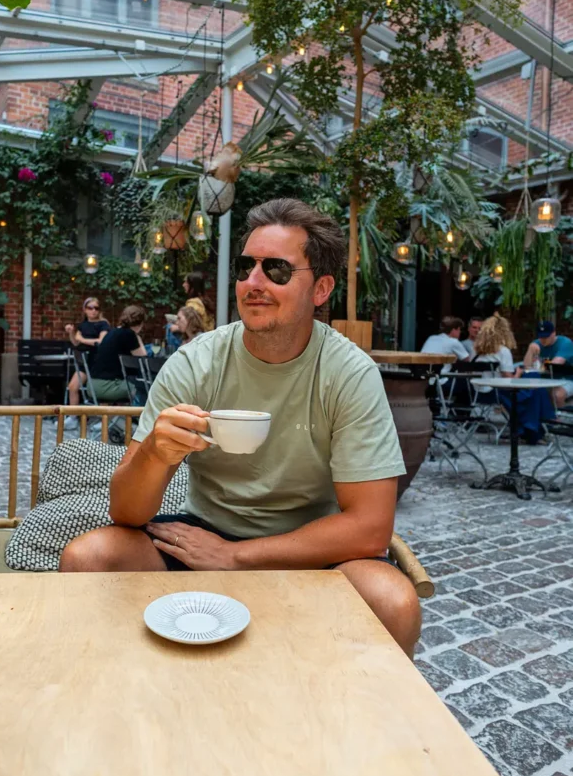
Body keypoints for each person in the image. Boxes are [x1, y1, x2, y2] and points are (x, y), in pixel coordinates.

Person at [61, 198, 421, 659]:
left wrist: (234, 557)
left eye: (277, 270)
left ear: (321, 289)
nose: (253, 282)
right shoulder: (196, 363)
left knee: (392, 602)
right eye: (245, 267)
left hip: (310, 549)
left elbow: (370, 528)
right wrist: (153, 454)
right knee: (87, 559)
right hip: (204, 533)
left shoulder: (348, 373)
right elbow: (125, 512)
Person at [475, 314, 555, 444]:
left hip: (480, 393)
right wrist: (518, 372)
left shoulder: (478, 352)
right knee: (534, 387)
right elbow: (509, 381)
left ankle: (531, 429)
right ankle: (536, 428)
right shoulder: (502, 351)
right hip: (498, 393)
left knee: (533, 387)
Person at [85, 305, 147, 404]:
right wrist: (137, 336)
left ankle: (122, 413)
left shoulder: (112, 332)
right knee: (145, 387)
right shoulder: (129, 334)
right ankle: (142, 414)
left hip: (92, 385)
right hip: (108, 386)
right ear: (141, 323)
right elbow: (143, 358)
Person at [65, 298, 110, 406]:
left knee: (100, 391)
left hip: (98, 362)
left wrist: (82, 339)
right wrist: (71, 333)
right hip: (84, 362)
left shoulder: (103, 324)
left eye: (96, 308)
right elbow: (76, 342)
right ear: (85, 310)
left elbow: (100, 341)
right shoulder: (83, 325)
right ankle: (73, 414)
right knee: (72, 387)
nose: (93, 310)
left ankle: (103, 415)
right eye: (90, 308)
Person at [523, 321, 573, 408]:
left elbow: (554, 365)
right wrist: (530, 351)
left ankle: (559, 414)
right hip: (545, 379)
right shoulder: (535, 344)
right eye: (541, 337)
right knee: (528, 393)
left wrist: (536, 365)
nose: (543, 340)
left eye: (546, 336)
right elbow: (526, 366)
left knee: (556, 395)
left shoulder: (565, 343)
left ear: (554, 333)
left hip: (566, 378)